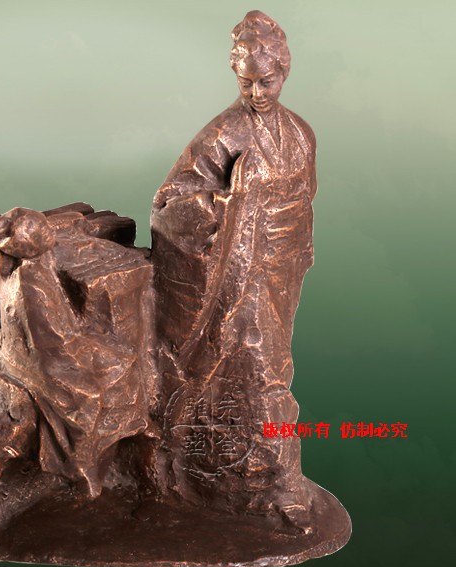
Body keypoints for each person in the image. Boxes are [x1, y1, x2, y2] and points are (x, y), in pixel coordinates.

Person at [151, 11, 317, 520]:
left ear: (284, 72)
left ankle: (233, 474)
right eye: (247, 83)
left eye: (267, 81)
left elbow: (305, 201)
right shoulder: (225, 133)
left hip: (281, 269)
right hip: (237, 275)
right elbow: (168, 203)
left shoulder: (301, 133)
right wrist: (227, 203)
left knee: (274, 365)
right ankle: (276, 484)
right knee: (258, 364)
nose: (257, 92)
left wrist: (296, 251)